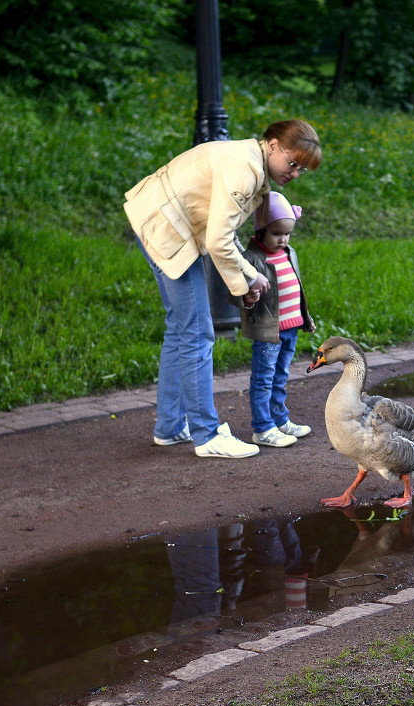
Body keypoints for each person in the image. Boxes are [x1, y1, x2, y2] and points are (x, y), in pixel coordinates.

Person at [124, 119, 322, 458]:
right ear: (272, 145)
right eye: (292, 163)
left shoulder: (251, 162)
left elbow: (222, 235)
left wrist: (247, 278)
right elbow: (219, 241)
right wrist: (248, 281)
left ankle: (171, 427)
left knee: (181, 329)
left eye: (302, 169)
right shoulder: (244, 169)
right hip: (166, 227)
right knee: (197, 332)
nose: (295, 173)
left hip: (162, 219)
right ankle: (207, 434)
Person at [235, 192, 315, 448]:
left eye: (287, 233)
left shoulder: (289, 252)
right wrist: (247, 298)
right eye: (276, 233)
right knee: (263, 378)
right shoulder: (252, 259)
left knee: (280, 376)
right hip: (268, 332)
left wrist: (305, 318)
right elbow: (236, 292)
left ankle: (280, 419)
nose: (283, 239)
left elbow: (297, 290)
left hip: (290, 329)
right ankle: (262, 427)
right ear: (260, 231)